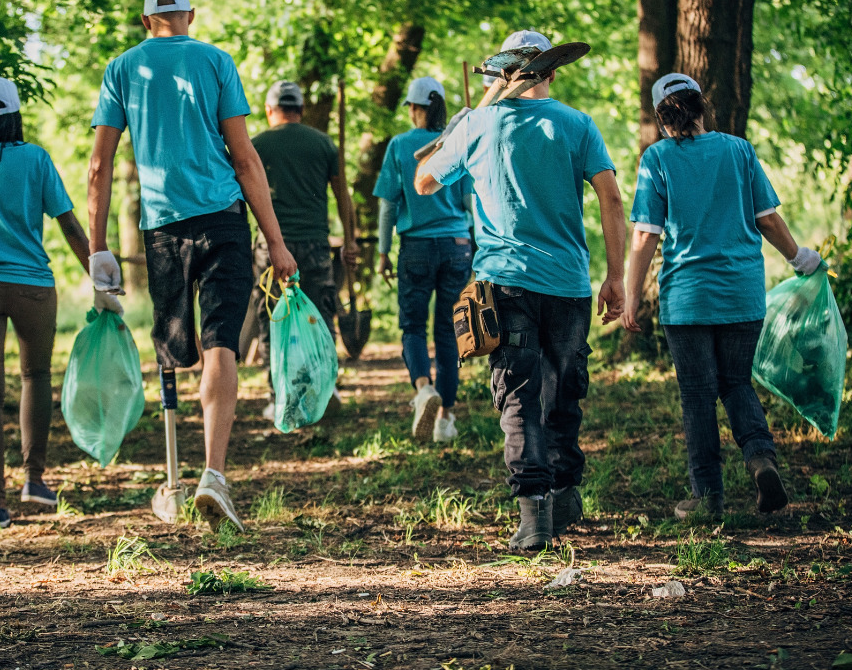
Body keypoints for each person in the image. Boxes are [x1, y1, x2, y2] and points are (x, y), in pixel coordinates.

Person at [86, 0, 297, 533]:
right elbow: (245, 158)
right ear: (189, 16)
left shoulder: (122, 69)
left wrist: (97, 247)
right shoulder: (216, 61)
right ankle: (214, 475)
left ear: (144, 19)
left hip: (162, 230)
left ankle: (176, 477)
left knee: (173, 347)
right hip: (224, 219)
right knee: (220, 341)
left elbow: (98, 167)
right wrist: (275, 242)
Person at [415, 30, 628, 551]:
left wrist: (459, 131)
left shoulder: (478, 125)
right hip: (570, 284)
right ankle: (565, 490)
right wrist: (617, 275)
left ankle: (535, 516)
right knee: (563, 390)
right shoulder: (578, 125)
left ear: (502, 73)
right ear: (552, 71)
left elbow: (423, 181)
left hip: (505, 283)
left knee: (519, 396)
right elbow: (611, 200)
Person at [621, 73, 816, 519]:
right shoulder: (739, 150)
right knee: (736, 383)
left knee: (697, 395)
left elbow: (645, 236)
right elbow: (767, 220)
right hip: (741, 294)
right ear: (702, 106)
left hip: (686, 301)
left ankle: (708, 496)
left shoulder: (657, 159)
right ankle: (762, 461)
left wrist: (633, 294)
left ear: (661, 117)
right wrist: (798, 256)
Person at [0, 76, 118, 530]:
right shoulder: (35, 159)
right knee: (36, 376)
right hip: (33, 287)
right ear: (14, 117)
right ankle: (34, 479)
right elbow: (71, 227)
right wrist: (101, 280)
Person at [373, 76, 473, 444]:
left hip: (415, 246)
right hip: (457, 244)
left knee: (413, 327)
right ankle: (445, 419)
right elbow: (468, 204)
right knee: (449, 332)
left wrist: (383, 252)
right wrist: (474, 244)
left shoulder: (400, 146)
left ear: (416, 109)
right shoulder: (456, 142)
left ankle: (423, 389)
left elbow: (388, 205)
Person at [249, 80, 357, 421]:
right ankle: (325, 387)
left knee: (272, 318)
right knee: (319, 316)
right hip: (314, 244)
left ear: (270, 110)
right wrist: (351, 239)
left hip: (270, 245)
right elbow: (343, 197)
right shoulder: (323, 144)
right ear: (301, 109)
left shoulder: (255, 147)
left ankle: (278, 394)